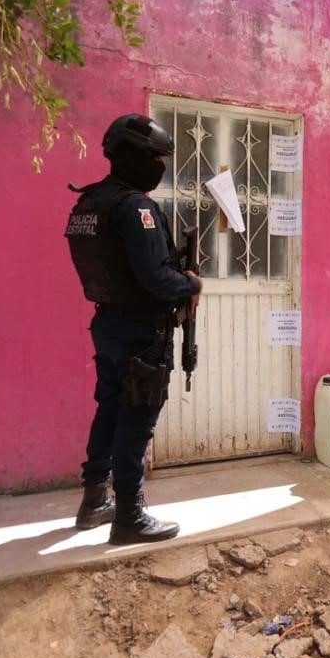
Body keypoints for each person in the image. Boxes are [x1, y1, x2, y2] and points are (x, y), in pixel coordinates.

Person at [64, 113, 201, 545]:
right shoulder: (136, 207)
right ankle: (129, 515)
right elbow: (156, 278)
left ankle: (94, 501)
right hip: (142, 331)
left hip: (108, 323)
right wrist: (191, 284)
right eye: (157, 158)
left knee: (109, 408)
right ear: (136, 157)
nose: (160, 166)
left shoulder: (89, 203)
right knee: (137, 418)